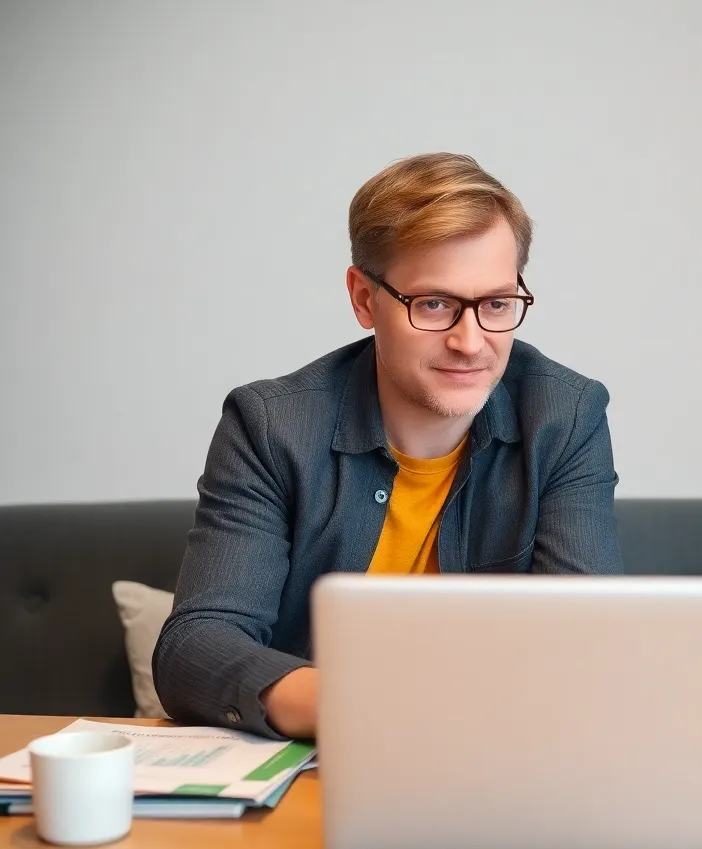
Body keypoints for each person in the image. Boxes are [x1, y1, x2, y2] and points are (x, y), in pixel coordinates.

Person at [153, 153, 622, 739]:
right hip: (321, 763)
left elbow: (582, 642)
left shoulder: (565, 417)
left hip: (499, 758)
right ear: (363, 299)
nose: (471, 342)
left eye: (497, 304)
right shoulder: (271, 425)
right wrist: (373, 708)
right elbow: (195, 648)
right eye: (434, 304)